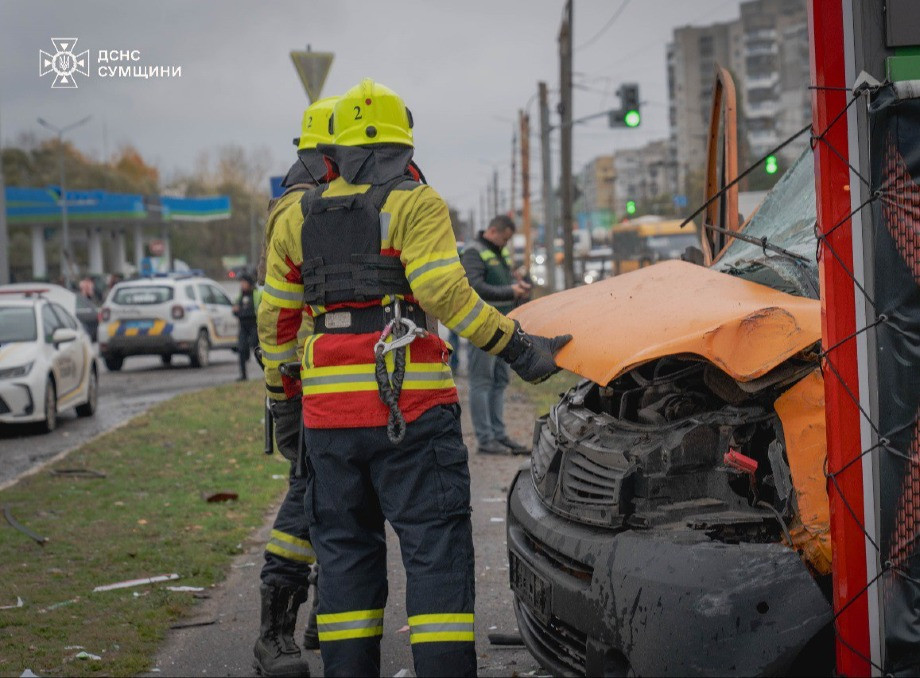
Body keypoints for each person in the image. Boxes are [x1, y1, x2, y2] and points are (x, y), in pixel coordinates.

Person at [260, 77, 570, 678]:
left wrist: (284, 404)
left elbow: (275, 320)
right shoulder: (414, 203)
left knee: (345, 558)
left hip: (328, 421)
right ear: (404, 147)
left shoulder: (293, 215)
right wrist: (521, 350)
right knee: (434, 554)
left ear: (334, 150)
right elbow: (443, 293)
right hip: (413, 413)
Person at [252, 96, 342, 677]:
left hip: (350, 385)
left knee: (349, 502)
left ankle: (331, 616)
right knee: (308, 500)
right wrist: (283, 395)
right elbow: (277, 315)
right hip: (310, 386)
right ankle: (272, 637)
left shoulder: (335, 195)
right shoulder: (303, 207)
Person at [461, 215, 532, 455]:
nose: (505, 243)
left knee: (500, 380)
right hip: (482, 327)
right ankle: (485, 438)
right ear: (492, 231)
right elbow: (474, 287)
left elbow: (506, 279)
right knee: (482, 382)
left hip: (503, 325)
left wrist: (520, 286)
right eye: (504, 238)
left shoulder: (499, 253)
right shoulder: (473, 252)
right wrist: (509, 291)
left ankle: (499, 435)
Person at [233, 274, 261, 381]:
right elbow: (236, 308)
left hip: (254, 324)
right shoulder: (240, 295)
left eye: (244, 282)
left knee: (256, 348)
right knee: (241, 349)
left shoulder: (256, 294)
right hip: (243, 325)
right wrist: (235, 310)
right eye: (241, 282)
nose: (242, 285)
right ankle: (243, 376)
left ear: (249, 284)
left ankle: (265, 370)